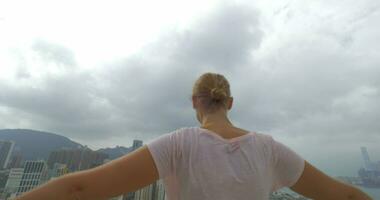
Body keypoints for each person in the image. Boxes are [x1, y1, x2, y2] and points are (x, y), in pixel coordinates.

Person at [17, 72, 372, 200]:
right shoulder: (268, 149)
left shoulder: (180, 143)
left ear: (194, 103)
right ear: (230, 102)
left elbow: (78, 189)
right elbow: (346, 196)